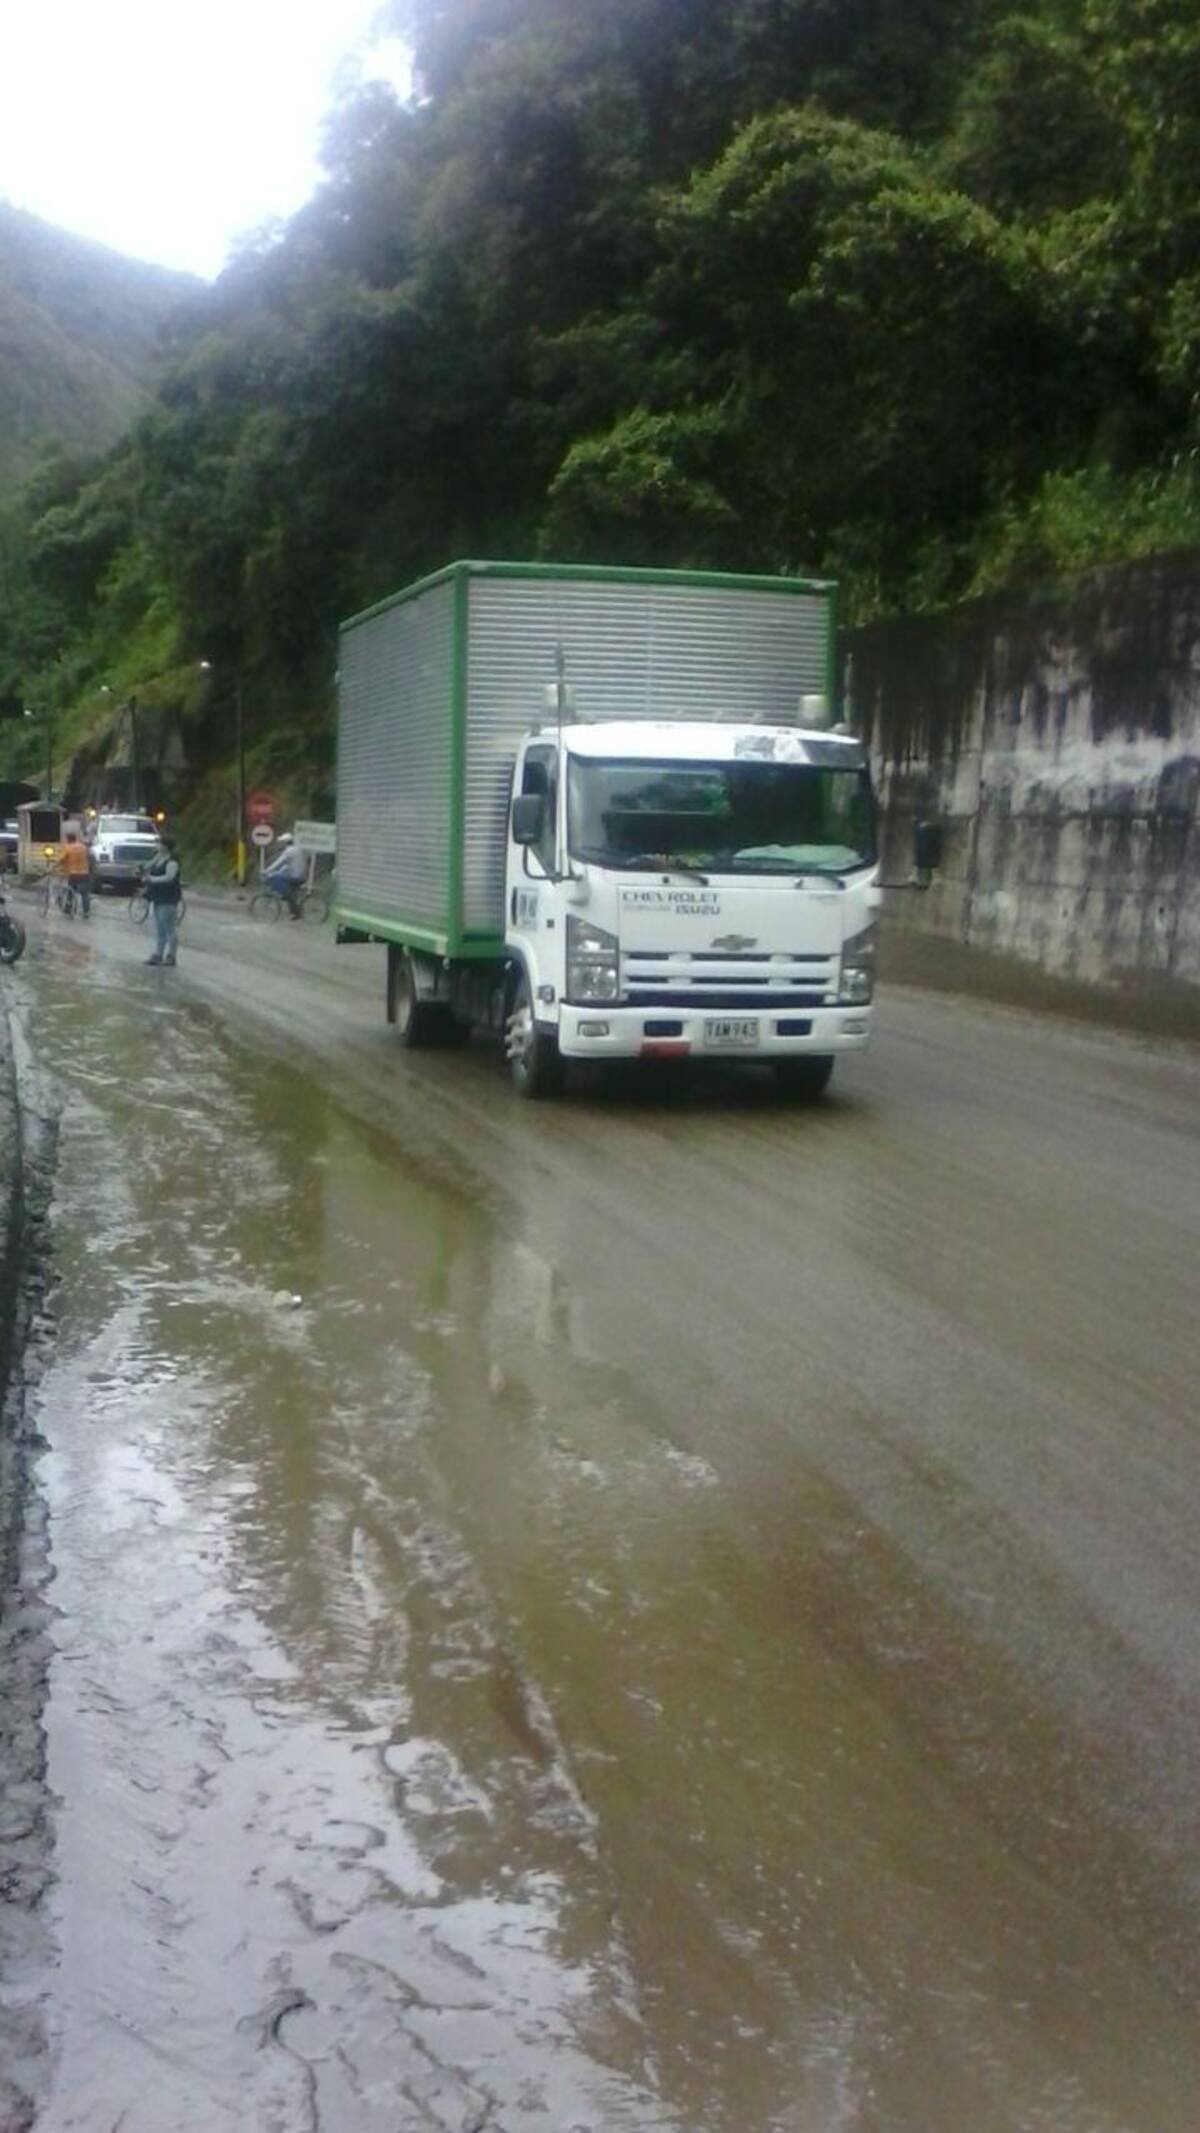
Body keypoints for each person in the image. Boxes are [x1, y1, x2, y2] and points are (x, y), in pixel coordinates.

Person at [141, 837, 183, 965]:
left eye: (159, 844)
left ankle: (171, 955)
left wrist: (152, 879)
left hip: (168, 898)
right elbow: (147, 866)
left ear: (165, 846)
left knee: (169, 928)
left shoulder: (172, 862)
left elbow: (169, 878)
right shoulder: (159, 859)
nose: (157, 846)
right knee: (159, 928)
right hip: (158, 897)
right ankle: (158, 954)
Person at [261, 832, 308, 918]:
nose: (280, 844)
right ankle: (295, 913)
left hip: (295, 876)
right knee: (289, 891)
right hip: (301, 876)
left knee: (279, 882)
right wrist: (278, 871)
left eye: (282, 842)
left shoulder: (289, 851)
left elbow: (279, 863)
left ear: (285, 843)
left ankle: (290, 903)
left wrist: (267, 871)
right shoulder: (296, 849)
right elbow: (286, 866)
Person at [58, 830, 93, 918]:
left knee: (71, 892)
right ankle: (86, 912)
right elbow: (90, 857)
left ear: (68, 840)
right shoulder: (83, 847)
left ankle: (68, 909)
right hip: (85, 873)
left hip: (74, 874)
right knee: (85, 894)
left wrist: (53, 867)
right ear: (75, 839)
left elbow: (61, 859)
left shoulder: (68, 848)